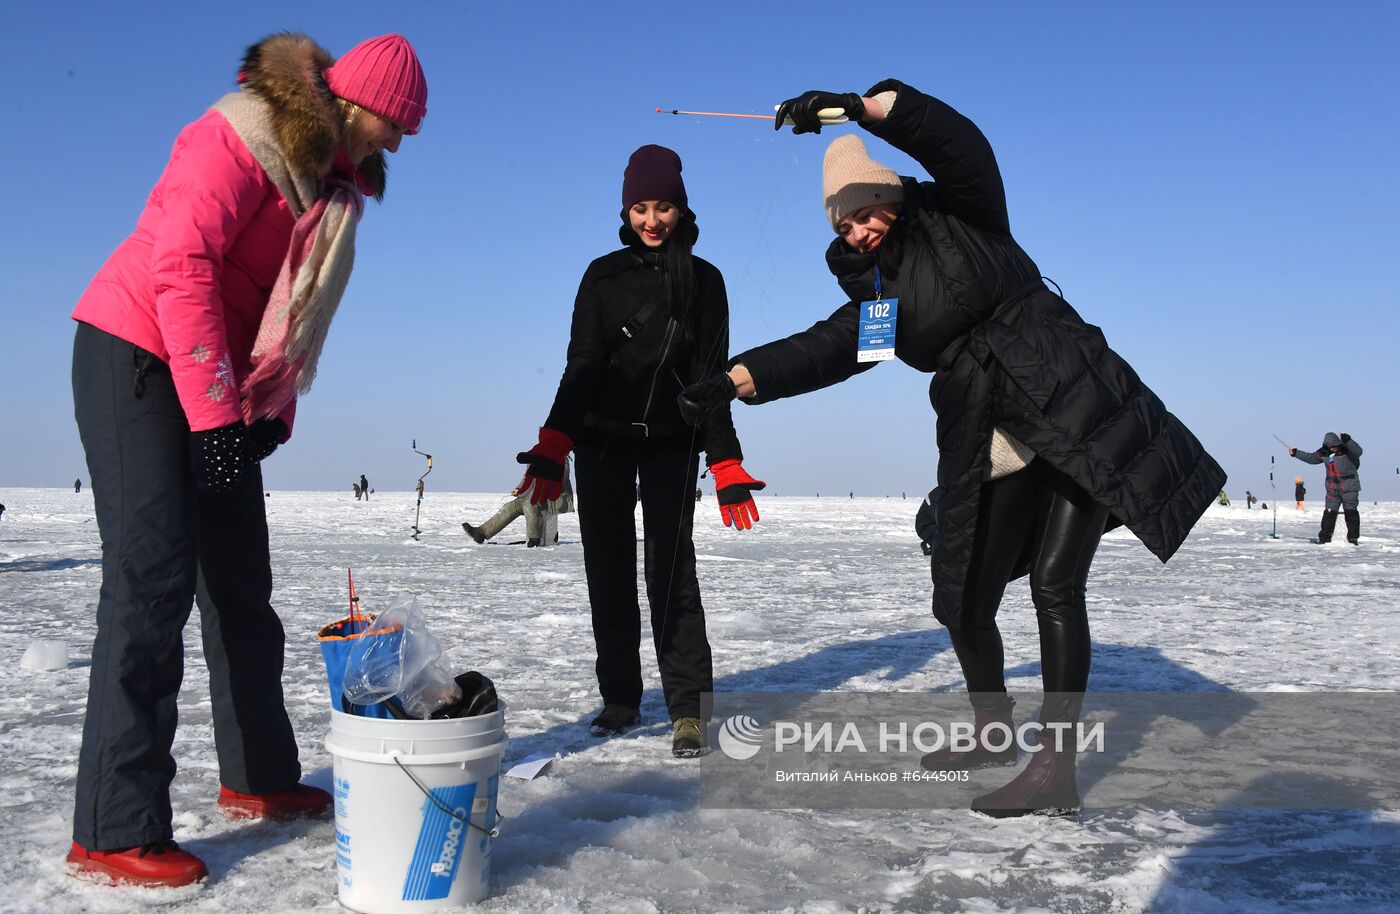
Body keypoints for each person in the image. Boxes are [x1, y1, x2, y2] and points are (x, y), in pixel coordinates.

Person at [680, 81, 1223, 816]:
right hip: (987, 435)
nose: (857, 230)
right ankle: (992, 728)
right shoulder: (879, 296)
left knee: (1057, 586)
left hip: (1070, 401)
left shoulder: (964, 214)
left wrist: (866, 107)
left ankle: (1054, 767)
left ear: (890, 196)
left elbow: (960, 144)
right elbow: (833, 348)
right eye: (843, 225)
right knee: (963, 598)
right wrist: (738, 379)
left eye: (864, 212)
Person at [65, 33, 427, 887]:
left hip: (213, 383)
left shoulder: (327, 189)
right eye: (395, 122)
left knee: (240, 583)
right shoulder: (238, 135)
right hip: (135, 355)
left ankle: (258, 775)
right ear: (351, 100)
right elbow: (180, 268)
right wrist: (211, 420)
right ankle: (112, 825)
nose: (399, 142)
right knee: (151, 581)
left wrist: (264, 418)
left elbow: (287, 313)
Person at [513, 144, 763, 758]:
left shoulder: (705, 282)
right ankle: (621, 697)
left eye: (664, 208)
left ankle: (688, 711)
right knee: (609, 574)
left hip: (669, 448)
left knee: (672, 576)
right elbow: (583, 367)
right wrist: (554, 442)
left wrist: (723, 458)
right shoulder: (603, 275)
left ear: (682, 210)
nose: (652, 221)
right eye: (641, 208)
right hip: (601, 445)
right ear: (626, 211)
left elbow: (711, 377)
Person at [464, 460, 575, 546]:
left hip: (549, 497)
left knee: (530, 505)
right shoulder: (536, 456)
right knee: (509, 507)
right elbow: (528, 477)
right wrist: (519, 489)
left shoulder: (560, 458)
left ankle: (534, 538)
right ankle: (481, 533)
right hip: (529, 496)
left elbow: (560, 479)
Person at [1290, 433, 1362, 543]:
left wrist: (1348, 440)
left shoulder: (1346, 448)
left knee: (1351, 512)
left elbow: (1359, 452)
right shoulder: (1323, 452)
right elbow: (1311, 458)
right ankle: (1324, 538)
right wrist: (1296, 453)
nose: (1332, 449)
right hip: (1332, 488)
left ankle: (1353, 539)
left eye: (1334, 446)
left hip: (1349, 487)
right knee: (1329, 513)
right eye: (1330, 447)